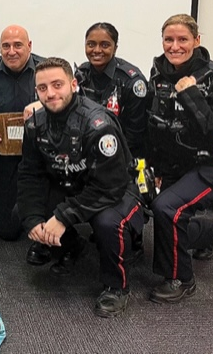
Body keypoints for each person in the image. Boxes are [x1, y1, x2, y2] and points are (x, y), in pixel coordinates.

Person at [18, 57, 144, 317]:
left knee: (108, 223)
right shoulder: (34, 123)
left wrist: (63, 216)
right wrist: (33, 219)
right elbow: (30, 174)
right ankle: (72, 246)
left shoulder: (98, 124)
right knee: (23, 210)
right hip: (73, 185)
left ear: (73, 84)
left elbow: (110, 185)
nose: (50, 93)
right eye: (43, 88)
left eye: (57, 85)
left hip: (115, 189)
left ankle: (116, 286)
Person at [145, 14, 213, 304]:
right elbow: (156, 123)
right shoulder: (158, 72)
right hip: (175, 161)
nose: (174, 46)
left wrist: (191, 94)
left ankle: (181, 279)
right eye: (168, 40)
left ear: (196, 41)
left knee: (167, 207)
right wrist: (155, 168)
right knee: (154, 205)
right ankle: (207, 231)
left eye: (182, 39)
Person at [73, 22, 150, 267]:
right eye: (91, 44)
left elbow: (136, 136)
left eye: (104, 45)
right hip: (90, 157)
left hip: (125, 162)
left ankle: (133, 236)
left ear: (115, 46)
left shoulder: (132, 82)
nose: (97, 50)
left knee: (114, 211)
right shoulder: (80, 75)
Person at [0, 25, 44, 242]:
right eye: (6, 46)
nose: (11, 51)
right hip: (3, 154)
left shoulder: (47, 70)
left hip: (39, 153)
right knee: (8, 232)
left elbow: (65, 101)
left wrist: (40, 105)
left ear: (29, 46)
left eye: (17, 45)